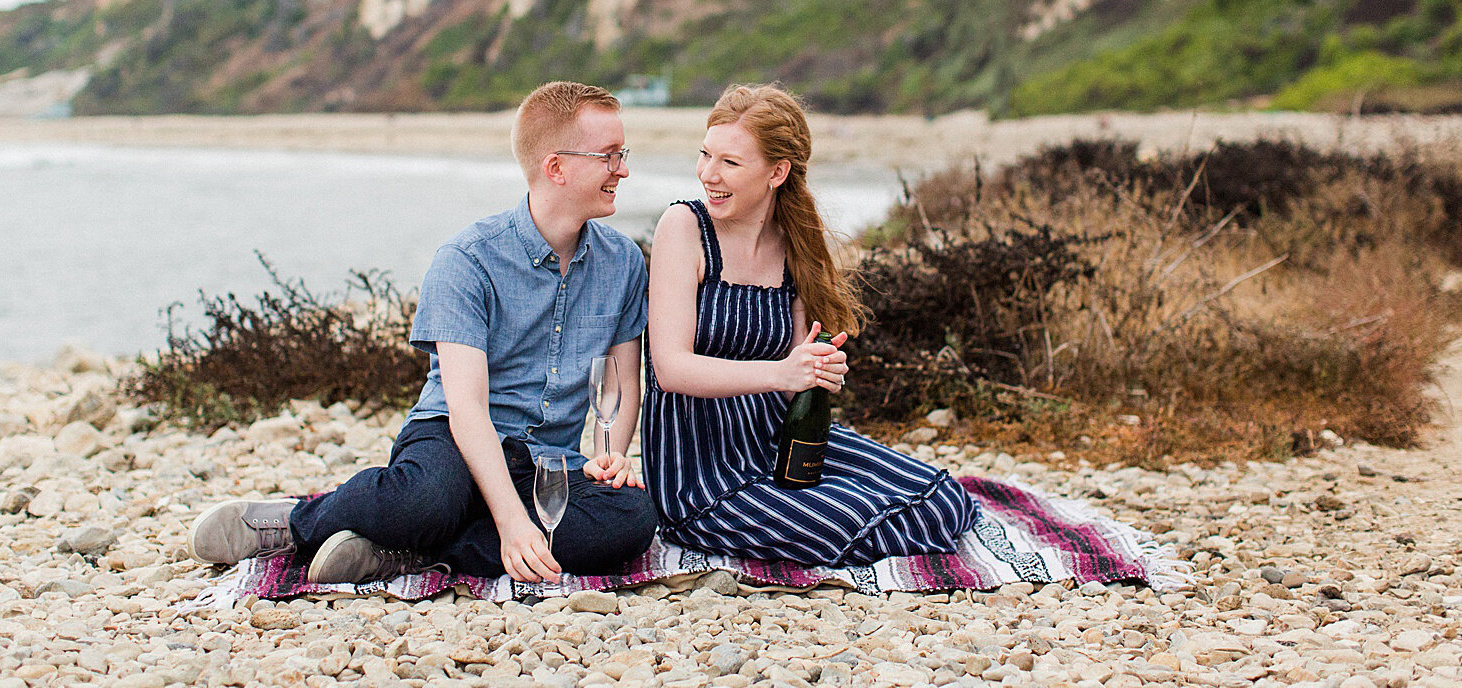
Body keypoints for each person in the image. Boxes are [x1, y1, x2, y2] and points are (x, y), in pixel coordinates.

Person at [187, 81, 658, 584]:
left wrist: (610, 456)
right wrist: (512, 521)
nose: (623, 170)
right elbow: (467, 409)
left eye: (622, 154)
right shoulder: (468, 260)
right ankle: (298, 521)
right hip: (453, 439)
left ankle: (409, 552)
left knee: (630, 521)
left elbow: (620, 386)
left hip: (547, 462)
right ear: (556, 167)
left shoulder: (624, 262)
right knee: (425, 500)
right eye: (609, 156)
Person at [641, 84, 978, 566]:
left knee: (944, 499)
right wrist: (781, 372)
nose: (708, 175)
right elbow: (671, 368)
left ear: (777, 172)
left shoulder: (792, 240)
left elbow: (793, 386)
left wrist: (815, 373)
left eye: (730, 163)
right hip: (701, 471)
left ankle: (830, 507)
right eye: (705, 155)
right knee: (845, 520)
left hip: (779, 443)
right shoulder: (684, 227)